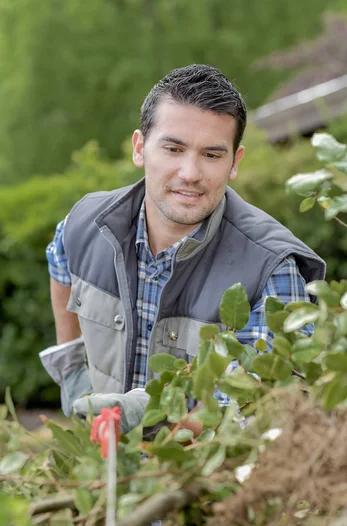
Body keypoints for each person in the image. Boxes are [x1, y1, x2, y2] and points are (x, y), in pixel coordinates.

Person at [40, 64, 325, 436]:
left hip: (205, 485)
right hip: (101, 474)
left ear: (234, 162)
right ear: (140, 148)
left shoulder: (272, 268)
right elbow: (60, 265)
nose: (190, 172)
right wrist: (74, 369)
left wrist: (146, 416)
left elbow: (258, 404)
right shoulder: (84, 224)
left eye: (211, 155)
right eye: (173, 148)